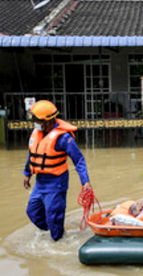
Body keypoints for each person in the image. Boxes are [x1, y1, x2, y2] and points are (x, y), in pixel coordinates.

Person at [23, 100, 92, 241]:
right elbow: (32, 154)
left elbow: (79, 160)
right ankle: (55, 230)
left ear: (48, 121)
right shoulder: (37, 133)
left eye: (37, 120)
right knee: (32, 212)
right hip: (40, 183)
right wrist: (27, 174)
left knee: (53, 217)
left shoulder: (63, 138)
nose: (34, 123)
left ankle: (58, 240)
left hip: (56, 183)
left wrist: (85, 182)